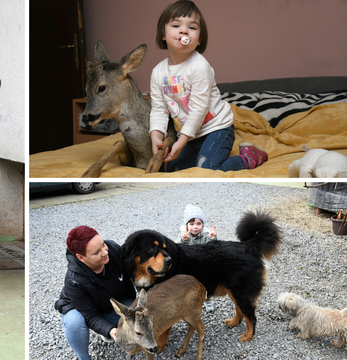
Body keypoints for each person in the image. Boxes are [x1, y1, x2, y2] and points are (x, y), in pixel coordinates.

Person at [149, 0, 268, 172]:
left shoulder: (200, 66)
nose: (184, 31)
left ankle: (249, 157)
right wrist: (155, 136)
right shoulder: (158, 72)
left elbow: (198, 110)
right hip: (190, 135)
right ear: (163, 33)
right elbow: (159, 109)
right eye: (176, 25)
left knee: (207, 169)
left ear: (199, 39)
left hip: (217, 129)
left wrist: (180, 143)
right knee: (174, 171)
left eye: (192, 27)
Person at [54, 226, 138, 360]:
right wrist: (111, 330)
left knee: (140, 317)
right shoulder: (74, 280)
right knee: (74, 322)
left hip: (110, 302)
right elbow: (91, 316)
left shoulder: (112, 250)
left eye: (103, 244)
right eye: (96, 252)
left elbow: (137, 268)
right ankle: (84, 357)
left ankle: (105, 330)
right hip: (81, 309)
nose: (105, 252)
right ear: (81, 257)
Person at [180, 203, 216, 311]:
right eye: (191, 224)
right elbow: (176, 248)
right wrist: (184, 240)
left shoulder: (205, 235)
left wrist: (211, 238)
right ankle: (191, 302)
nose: (195, 227)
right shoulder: (184, 235)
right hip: (190, 268)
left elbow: (212, 248)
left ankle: (208, 301)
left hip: (203, 267)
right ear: (186, 226)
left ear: (203, 224)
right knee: (189, 287)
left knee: (206, 286)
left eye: (198, 223)